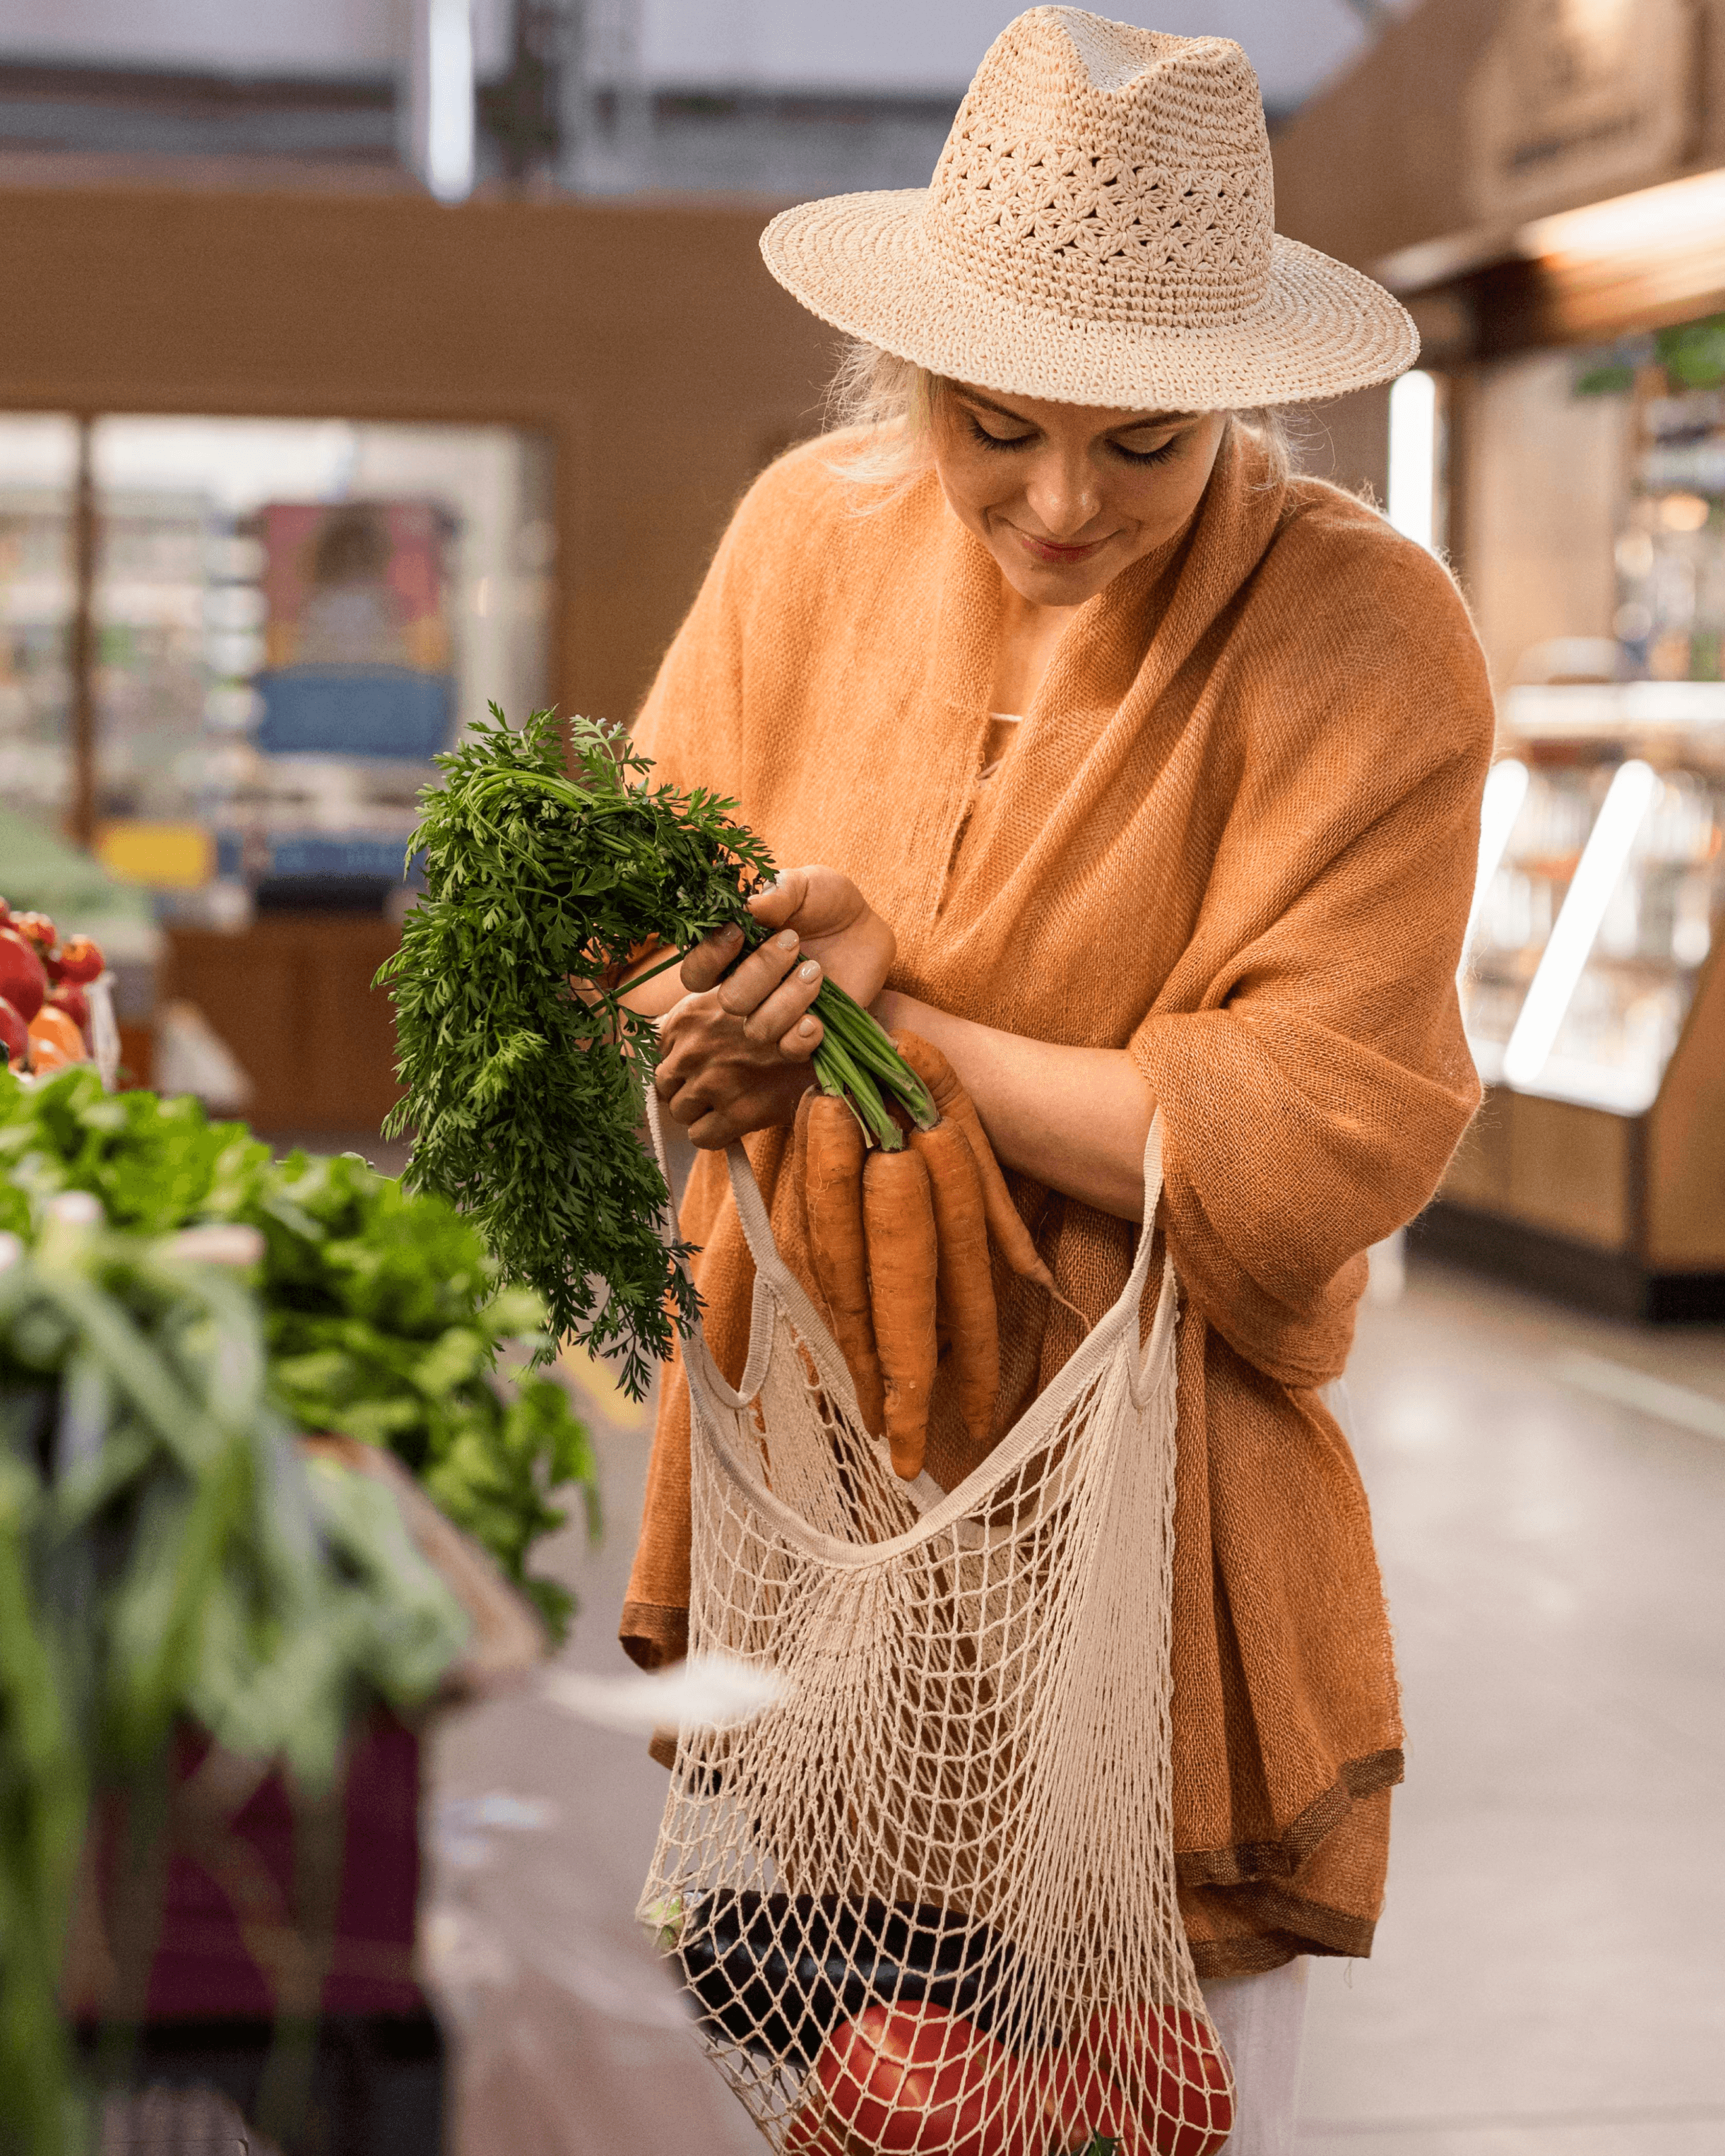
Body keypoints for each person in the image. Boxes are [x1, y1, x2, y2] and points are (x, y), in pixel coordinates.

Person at [618, 11, 1493, 2150]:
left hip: (1157, 1522)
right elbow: (644, 919)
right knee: (832, 2086)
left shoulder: (1363, 634)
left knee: (1152, 2099)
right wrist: (714, 1026)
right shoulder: (805, 543)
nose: (1060, 505)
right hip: (820, 1492)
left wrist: (901, 1042)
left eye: (1146, 449)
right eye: (996, 431)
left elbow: (1313, 1130)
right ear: (910, 373)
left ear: (1243, 406)